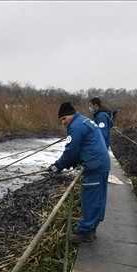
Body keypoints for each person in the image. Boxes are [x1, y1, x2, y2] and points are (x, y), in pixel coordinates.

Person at [48, 102, 110, 243]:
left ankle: (85, 232)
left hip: (94, 166)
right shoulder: (84, 120)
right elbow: (85, 145)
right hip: (101, 163)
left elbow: (71, 151)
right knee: (98, 198)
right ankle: (91, 228)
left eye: (63, 119)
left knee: (90, 199)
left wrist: (57, 166)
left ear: (70, 115)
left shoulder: (76, 126)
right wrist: (76, 161)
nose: (63, 123)